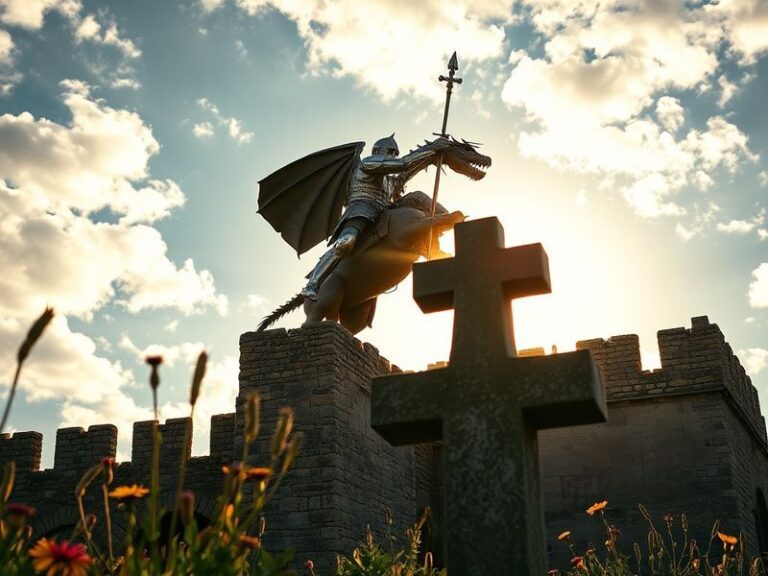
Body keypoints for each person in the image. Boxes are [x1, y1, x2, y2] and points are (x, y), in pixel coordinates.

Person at [301, 134, 446, 300]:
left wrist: (434, 152)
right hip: (362, 208)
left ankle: (432, 245)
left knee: (419, 202)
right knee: (346, 242)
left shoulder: (390, 180)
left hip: (385, 211)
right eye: (390, 151)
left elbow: (410, 168)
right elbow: (404, 164)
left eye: (395, 153)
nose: (393, 155)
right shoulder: (368, 163)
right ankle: (312, 284)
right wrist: (433, 149)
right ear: (377, 150)